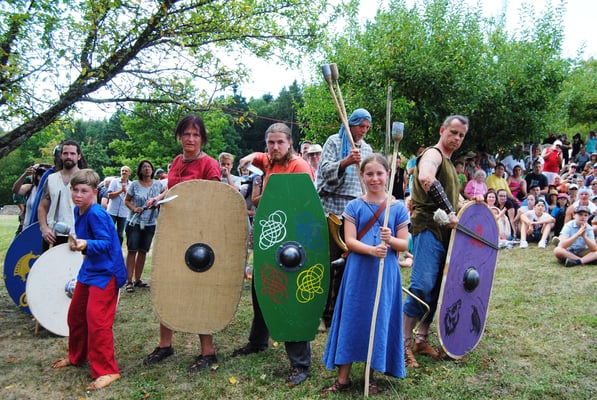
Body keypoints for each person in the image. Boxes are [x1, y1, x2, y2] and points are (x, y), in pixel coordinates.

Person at [319, 154, 410, 395]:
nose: (374, 178)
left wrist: (390, 239)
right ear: (362, 175)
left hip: (385, 272)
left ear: (388, 175)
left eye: (379, 173)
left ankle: (370, 377)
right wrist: (371, 250)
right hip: (358, 272)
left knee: (377, 319)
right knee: (352, 318)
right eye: (369, 174)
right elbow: (349, 240)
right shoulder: (354, 206)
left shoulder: (398, 208)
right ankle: (343, 378)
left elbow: (404, 244)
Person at [235, 123, 314, 387]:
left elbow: (304, 205)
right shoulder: (270, 161)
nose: (275, 147)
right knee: (261, 288)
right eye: (271, 143)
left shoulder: (298, 166)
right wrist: (250, 157)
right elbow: (260, 157)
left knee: (288, 296)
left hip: (291, 239)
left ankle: (300, 362)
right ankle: (258, 341)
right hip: (269, 238)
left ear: (290, 143)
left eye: (280, 142)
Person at [142, 115, 221, 372]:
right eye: (186, 134)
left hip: (199, 235)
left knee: (199, 288)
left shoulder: (209, 164)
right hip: (174, 232)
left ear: (202, 138)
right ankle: (165, 345)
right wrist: (159, 197)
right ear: (180, 136)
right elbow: (176, 190)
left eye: (196, 135)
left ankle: (208, 351)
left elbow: (216, 198)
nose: (190, 139)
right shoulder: (177, 162)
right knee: (168, 284)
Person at [402, 115, 469, 368]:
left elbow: (456, 200)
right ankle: (402, 343)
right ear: (442, 130)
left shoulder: (451, 165)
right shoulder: (433, 154)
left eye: (461, 135)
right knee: (422, 285)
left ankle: (421, 339)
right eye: (453, 132)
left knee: (438, 288)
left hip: (446, 233)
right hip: (429, 227)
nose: (457, 138)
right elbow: (426, 178)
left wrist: (476, 211)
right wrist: (450, 211)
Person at [51, 169, 127, 391]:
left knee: (97, 321)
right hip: (90, 270)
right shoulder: (79, 210)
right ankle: (77, 356)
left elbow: (106, 242)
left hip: (106, 272)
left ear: (94, 192)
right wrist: (81, 243)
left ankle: (108, 370)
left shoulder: (96, 213)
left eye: (84, 191)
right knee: (76, 316)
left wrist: (85, 244)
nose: (78, 195)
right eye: (75, 190)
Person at [316, 108, 373, 329]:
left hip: (354, 214)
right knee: (329, 263)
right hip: (331, 210)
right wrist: (346, 161)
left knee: (349, 264)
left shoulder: (367, 149)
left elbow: (369, 178)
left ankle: (340, 313)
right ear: (352, 124)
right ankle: (322, 313)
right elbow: (325, 172)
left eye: (367, 127)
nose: (364, 131)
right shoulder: (334, 141)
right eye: (361, 126)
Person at [124, 160, 166, 292]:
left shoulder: (158, 185)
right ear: (140, 170)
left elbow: (164, 197)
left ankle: (138, 279)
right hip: (135, 222)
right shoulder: (135, 185)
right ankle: (129, 281)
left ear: (152, 170)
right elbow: (127, 200)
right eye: (144, 167)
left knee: (143, 251)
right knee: (132, 250)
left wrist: (158, 204)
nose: (147, 169)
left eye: (149, 166)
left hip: (150, 223)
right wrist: (134, 208)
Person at [38, 140, 87, 251]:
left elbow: (93, 209)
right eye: (65, 153)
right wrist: (44, 228)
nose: (68, 156)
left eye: (72, 153)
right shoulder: (51, 179)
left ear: (79, 156)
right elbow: (42, 207)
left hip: (78, 235)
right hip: (52, 235)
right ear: (61, 155)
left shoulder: (86, 179)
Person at [12, 164, 51, 233]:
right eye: (40, 172)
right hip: (28, 227)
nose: (42, 175)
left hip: (47, 229)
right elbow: (15, 190)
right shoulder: (30, 188)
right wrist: (25, 175)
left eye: (45, 172)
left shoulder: (53, 190)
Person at [107, 165, 132, 245]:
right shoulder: (114, 182)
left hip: (123, 212)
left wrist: (126, 193)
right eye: (122, 171)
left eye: (126, 171)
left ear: (129, 173)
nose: (124, 172)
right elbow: (109, 195)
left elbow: (132, 199)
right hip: (112, 211)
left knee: (120, 233)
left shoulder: (131, 185)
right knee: (109, 231)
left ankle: (118, 248)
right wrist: (121, 190)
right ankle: (108, 247)